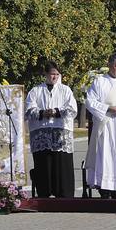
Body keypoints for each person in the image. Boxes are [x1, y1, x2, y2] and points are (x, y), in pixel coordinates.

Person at [25, 61, 77, 198]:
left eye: (57, 74)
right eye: (52, 74)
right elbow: (29, 110)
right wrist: (42, 113)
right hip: (42, 132)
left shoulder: (65, 90)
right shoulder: (36, 91)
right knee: (44, 164)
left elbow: (72, 109)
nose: (54, 77)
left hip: (60, 132)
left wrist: (56, 112)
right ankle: (44, 192)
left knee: (61, 164)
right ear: (46, 74)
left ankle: (64, 193)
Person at [85, 54, 116, 199]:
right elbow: (90, 101)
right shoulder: (99, 82)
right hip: (105, 124)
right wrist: (107, 108)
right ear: (109, 65)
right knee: (104, 154)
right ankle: (104, 187)